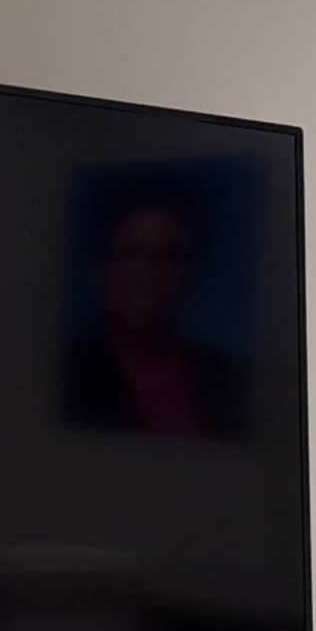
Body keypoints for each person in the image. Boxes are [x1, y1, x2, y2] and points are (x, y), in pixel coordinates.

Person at [61, 180, 250, 438]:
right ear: (103, 267)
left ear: (190, 272)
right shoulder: (63, 378)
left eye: (168, 256)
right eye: (131, 254)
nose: (147, 273)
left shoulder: (233, 382)